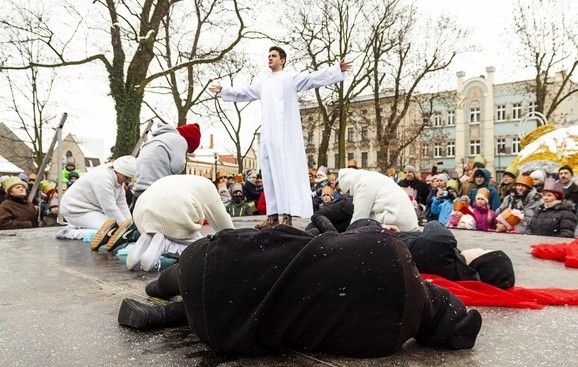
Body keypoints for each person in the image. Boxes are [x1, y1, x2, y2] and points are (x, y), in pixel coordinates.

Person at [118, 225, 482, 356]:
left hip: (214, 262)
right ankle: (164, 315)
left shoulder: (394, 250)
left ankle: (160, 288)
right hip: (225, 329)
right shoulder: (384, 344)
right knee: (278, 301)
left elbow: (337, 240)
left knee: (199, 273)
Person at [209, 46, 351, 228]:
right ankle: (272, 215)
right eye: (268, 56)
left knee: (284, 174)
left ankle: (287, 216)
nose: (270, 58)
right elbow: (244, 92)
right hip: (268, 135)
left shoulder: (289, 79)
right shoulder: (264, 83)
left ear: (282, 60)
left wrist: (336, 70)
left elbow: (312, 78)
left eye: (274, 56)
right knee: (269, 175)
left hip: (285, 135)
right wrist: (224, 90)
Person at [127, 175, 234, 272]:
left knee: (161, 233)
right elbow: (221, 219)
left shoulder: (177, 180)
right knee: (202, 247)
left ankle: (146, 242)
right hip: (176, 209)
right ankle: (166, 245)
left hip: (141, 213)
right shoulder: (209, 186)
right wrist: (235, 241)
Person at [58, 156, 136, 250]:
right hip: (74, 210)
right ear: (118, 171)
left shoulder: (117, 180)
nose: (128, 181)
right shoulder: (102, 178)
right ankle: (69, 232)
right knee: (109, 231)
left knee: (113, 229)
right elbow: (110, 208)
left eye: (130, 178)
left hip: (90, 210)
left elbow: (122, 205)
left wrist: (130, 227)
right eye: (126, 177)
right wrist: (124, 231)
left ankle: (79, 225)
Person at [132, 122, 201, 208]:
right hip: (156, 190)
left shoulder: (157, 137)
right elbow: (177, 166)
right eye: (188, 150)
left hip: (139, 187)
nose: (186, 151)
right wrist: (184, 158)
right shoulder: (180, 140)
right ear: (189, 142)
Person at [337, 168, 420, 232]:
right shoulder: (370, 177)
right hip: (405, 220)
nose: (350, 194)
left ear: (349, 185)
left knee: (367, 220)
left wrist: (346, 238)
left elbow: (359, 218)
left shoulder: (363, 183)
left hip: (397, 220)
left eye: (348, 191)